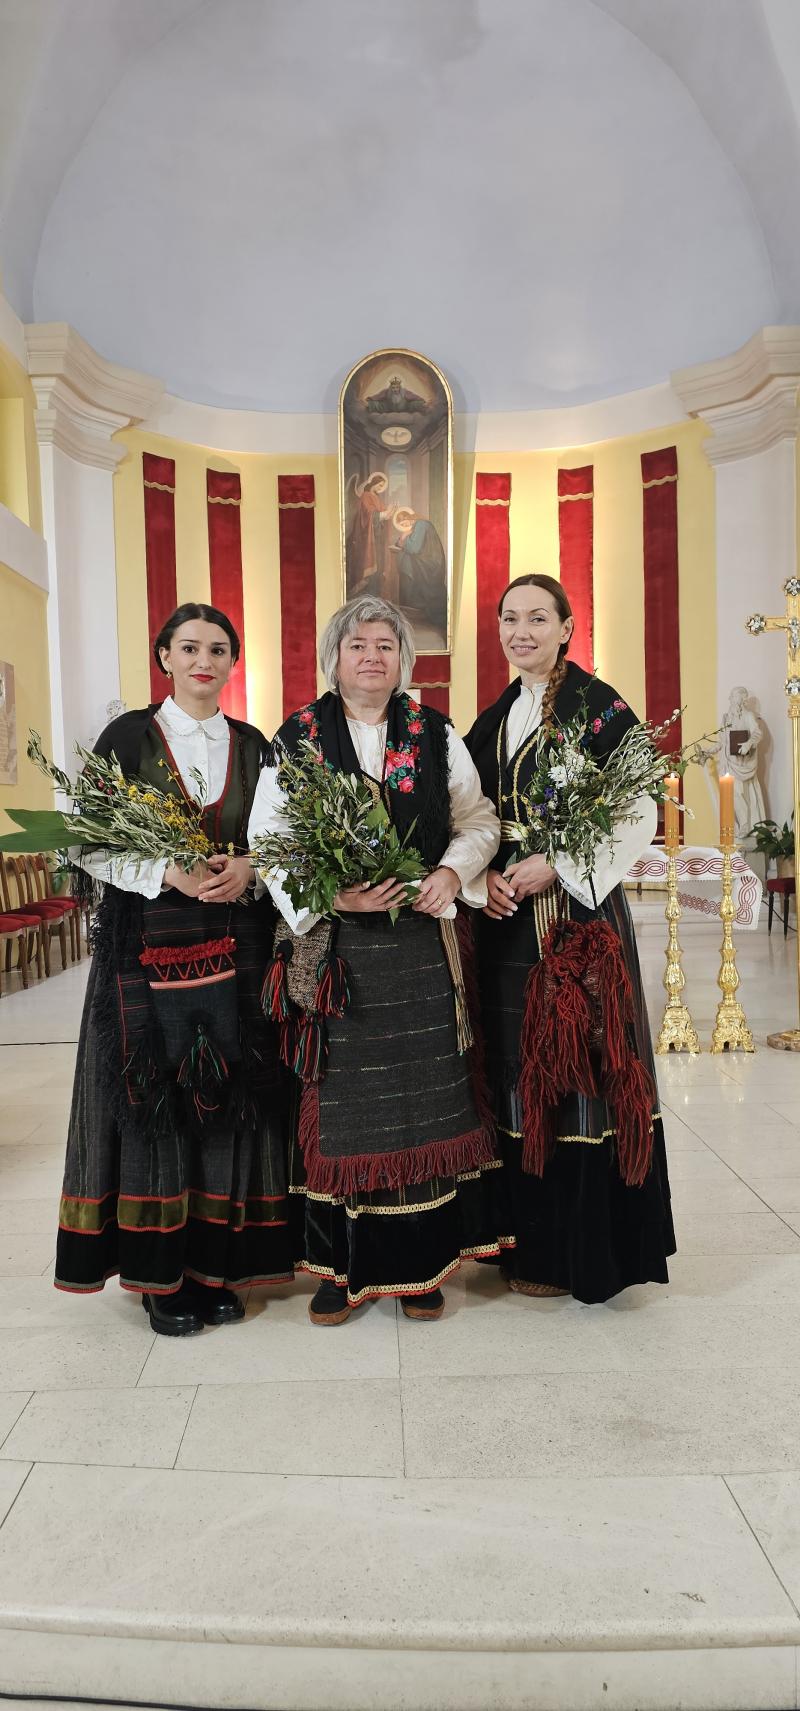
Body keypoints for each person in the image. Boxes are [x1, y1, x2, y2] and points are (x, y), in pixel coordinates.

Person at [249, 595, 509, 1324]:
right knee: (346, 1104)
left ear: (403, 661)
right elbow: (268, 841)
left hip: (422, 944)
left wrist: (453, 872)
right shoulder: (298, 737)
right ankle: (340, 1268)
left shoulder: (434, 732)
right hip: (339, 953)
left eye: (385, 646)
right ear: (333, 658)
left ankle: (421, 1268)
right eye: (357, 644)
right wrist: (334, 895)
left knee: (427, 1099)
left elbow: (478, 819)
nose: (371, 656)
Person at [55, 602, 293, 1334]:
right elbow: (83, 840)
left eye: (218, 650)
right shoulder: (127, 738)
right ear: (164, 656)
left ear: (232, 663)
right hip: (144, 949)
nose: (203, 661)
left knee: (229, 1100)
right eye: (189, 647)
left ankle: (219, 1267)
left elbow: (283, 837)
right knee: (155, 1101)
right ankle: (162, 1276)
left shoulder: (254, 745)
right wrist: (166, 870)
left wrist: (252, 866)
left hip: (236, 946)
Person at [464, 574, 675, 1304]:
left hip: (579, 916)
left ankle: (580, 1252)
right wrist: (484, 876)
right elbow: (469, 815)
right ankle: (523, 1239)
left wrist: (557, 862)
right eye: (509, 619)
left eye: (537, 618)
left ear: (566, 627)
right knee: (518, 1070)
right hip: (507, 922)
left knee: (580, 1068)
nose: (521, 632)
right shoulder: (493, 719)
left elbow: (637, 805)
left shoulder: (599, 706)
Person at [389, 508, 447, 633]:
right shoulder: (416, 527)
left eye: (405, 523)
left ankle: (436, 620)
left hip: (430, 565)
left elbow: (413, 548)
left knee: (431, 593)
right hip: (425, 562)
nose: (405, 527)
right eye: (402, 525)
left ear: (409, 518)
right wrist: (404, 537)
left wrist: (403, 538)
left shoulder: (421, 524)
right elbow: (401, 543)